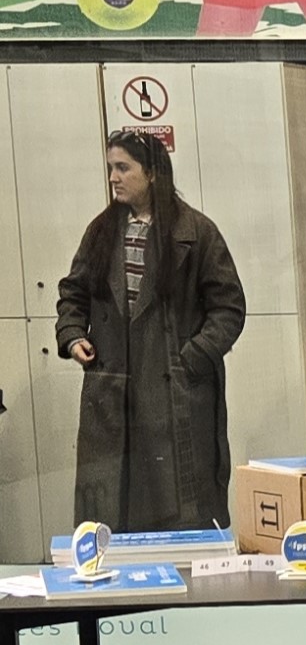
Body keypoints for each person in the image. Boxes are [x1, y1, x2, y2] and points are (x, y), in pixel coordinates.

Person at [56, 131, 247, 533]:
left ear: (153, 173)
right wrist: (72, 334)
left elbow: (229, 308)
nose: (113, 177)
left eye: (123, 168)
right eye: (111, 168)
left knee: (180, 510)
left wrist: (190, 358)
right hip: (113, 392)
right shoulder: (101, 231)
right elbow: (73, 292)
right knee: (113, 511)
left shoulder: (196, 232)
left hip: (175, 393)